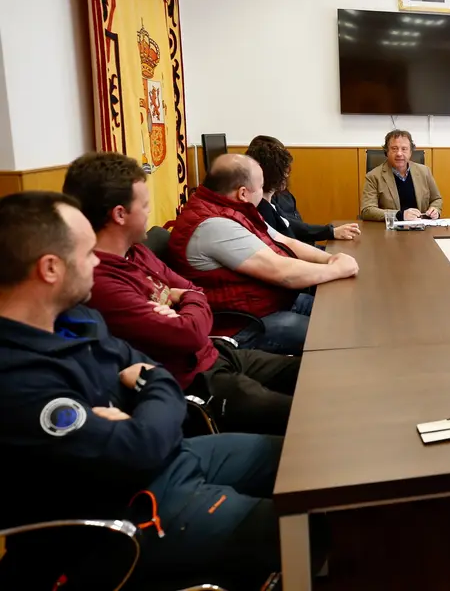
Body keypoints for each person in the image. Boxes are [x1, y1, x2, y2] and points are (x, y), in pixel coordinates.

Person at [0, 191, 304, 589]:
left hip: (173, 454)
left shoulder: (76, 319)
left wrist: (144, 395)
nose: (97, 261)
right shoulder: (17, 380)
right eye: (87, 252)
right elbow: (139, 444)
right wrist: (145, 396)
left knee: (306, 455)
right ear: (51, 268)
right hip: (133, 510)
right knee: (319, 522)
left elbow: (156, 375)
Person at [63, 152, 300, 435]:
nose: (150, 212)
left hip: (217, 353)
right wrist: (186, 301)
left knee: (310, 372)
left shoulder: (136, 252)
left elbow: (195, 292)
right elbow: (187, 333)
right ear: (120, 214)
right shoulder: (101, 282)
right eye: (145, 205)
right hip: (193, 381)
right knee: (302, 415)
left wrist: (187, 299)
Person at [168, 154, 359, 353]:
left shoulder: (232, 208)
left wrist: (330, 258)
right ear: (243, 193)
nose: (264, 192)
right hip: (242, 324)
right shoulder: (214, 226)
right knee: (336, 334)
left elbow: (282, 240)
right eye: (260, 187)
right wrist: (336, 269)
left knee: (344, 313)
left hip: (266, 303)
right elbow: (283, 274)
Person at [245, 141, 360, 243]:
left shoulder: (271, 205)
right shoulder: (262, 211)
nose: (287, 175)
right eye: (284, 171)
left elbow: (291, 229)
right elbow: (288, 250)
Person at [360, 129, 443, 221]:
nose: (399, 153)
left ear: (410, 152)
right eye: (394, 149)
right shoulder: (373, 176)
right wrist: (399, 215)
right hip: (390, 231)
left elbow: (436, 199)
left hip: (421, 229)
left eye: (404, 149)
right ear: (386, 152)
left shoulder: (424, 171)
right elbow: (367, 210)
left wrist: (435, 209)